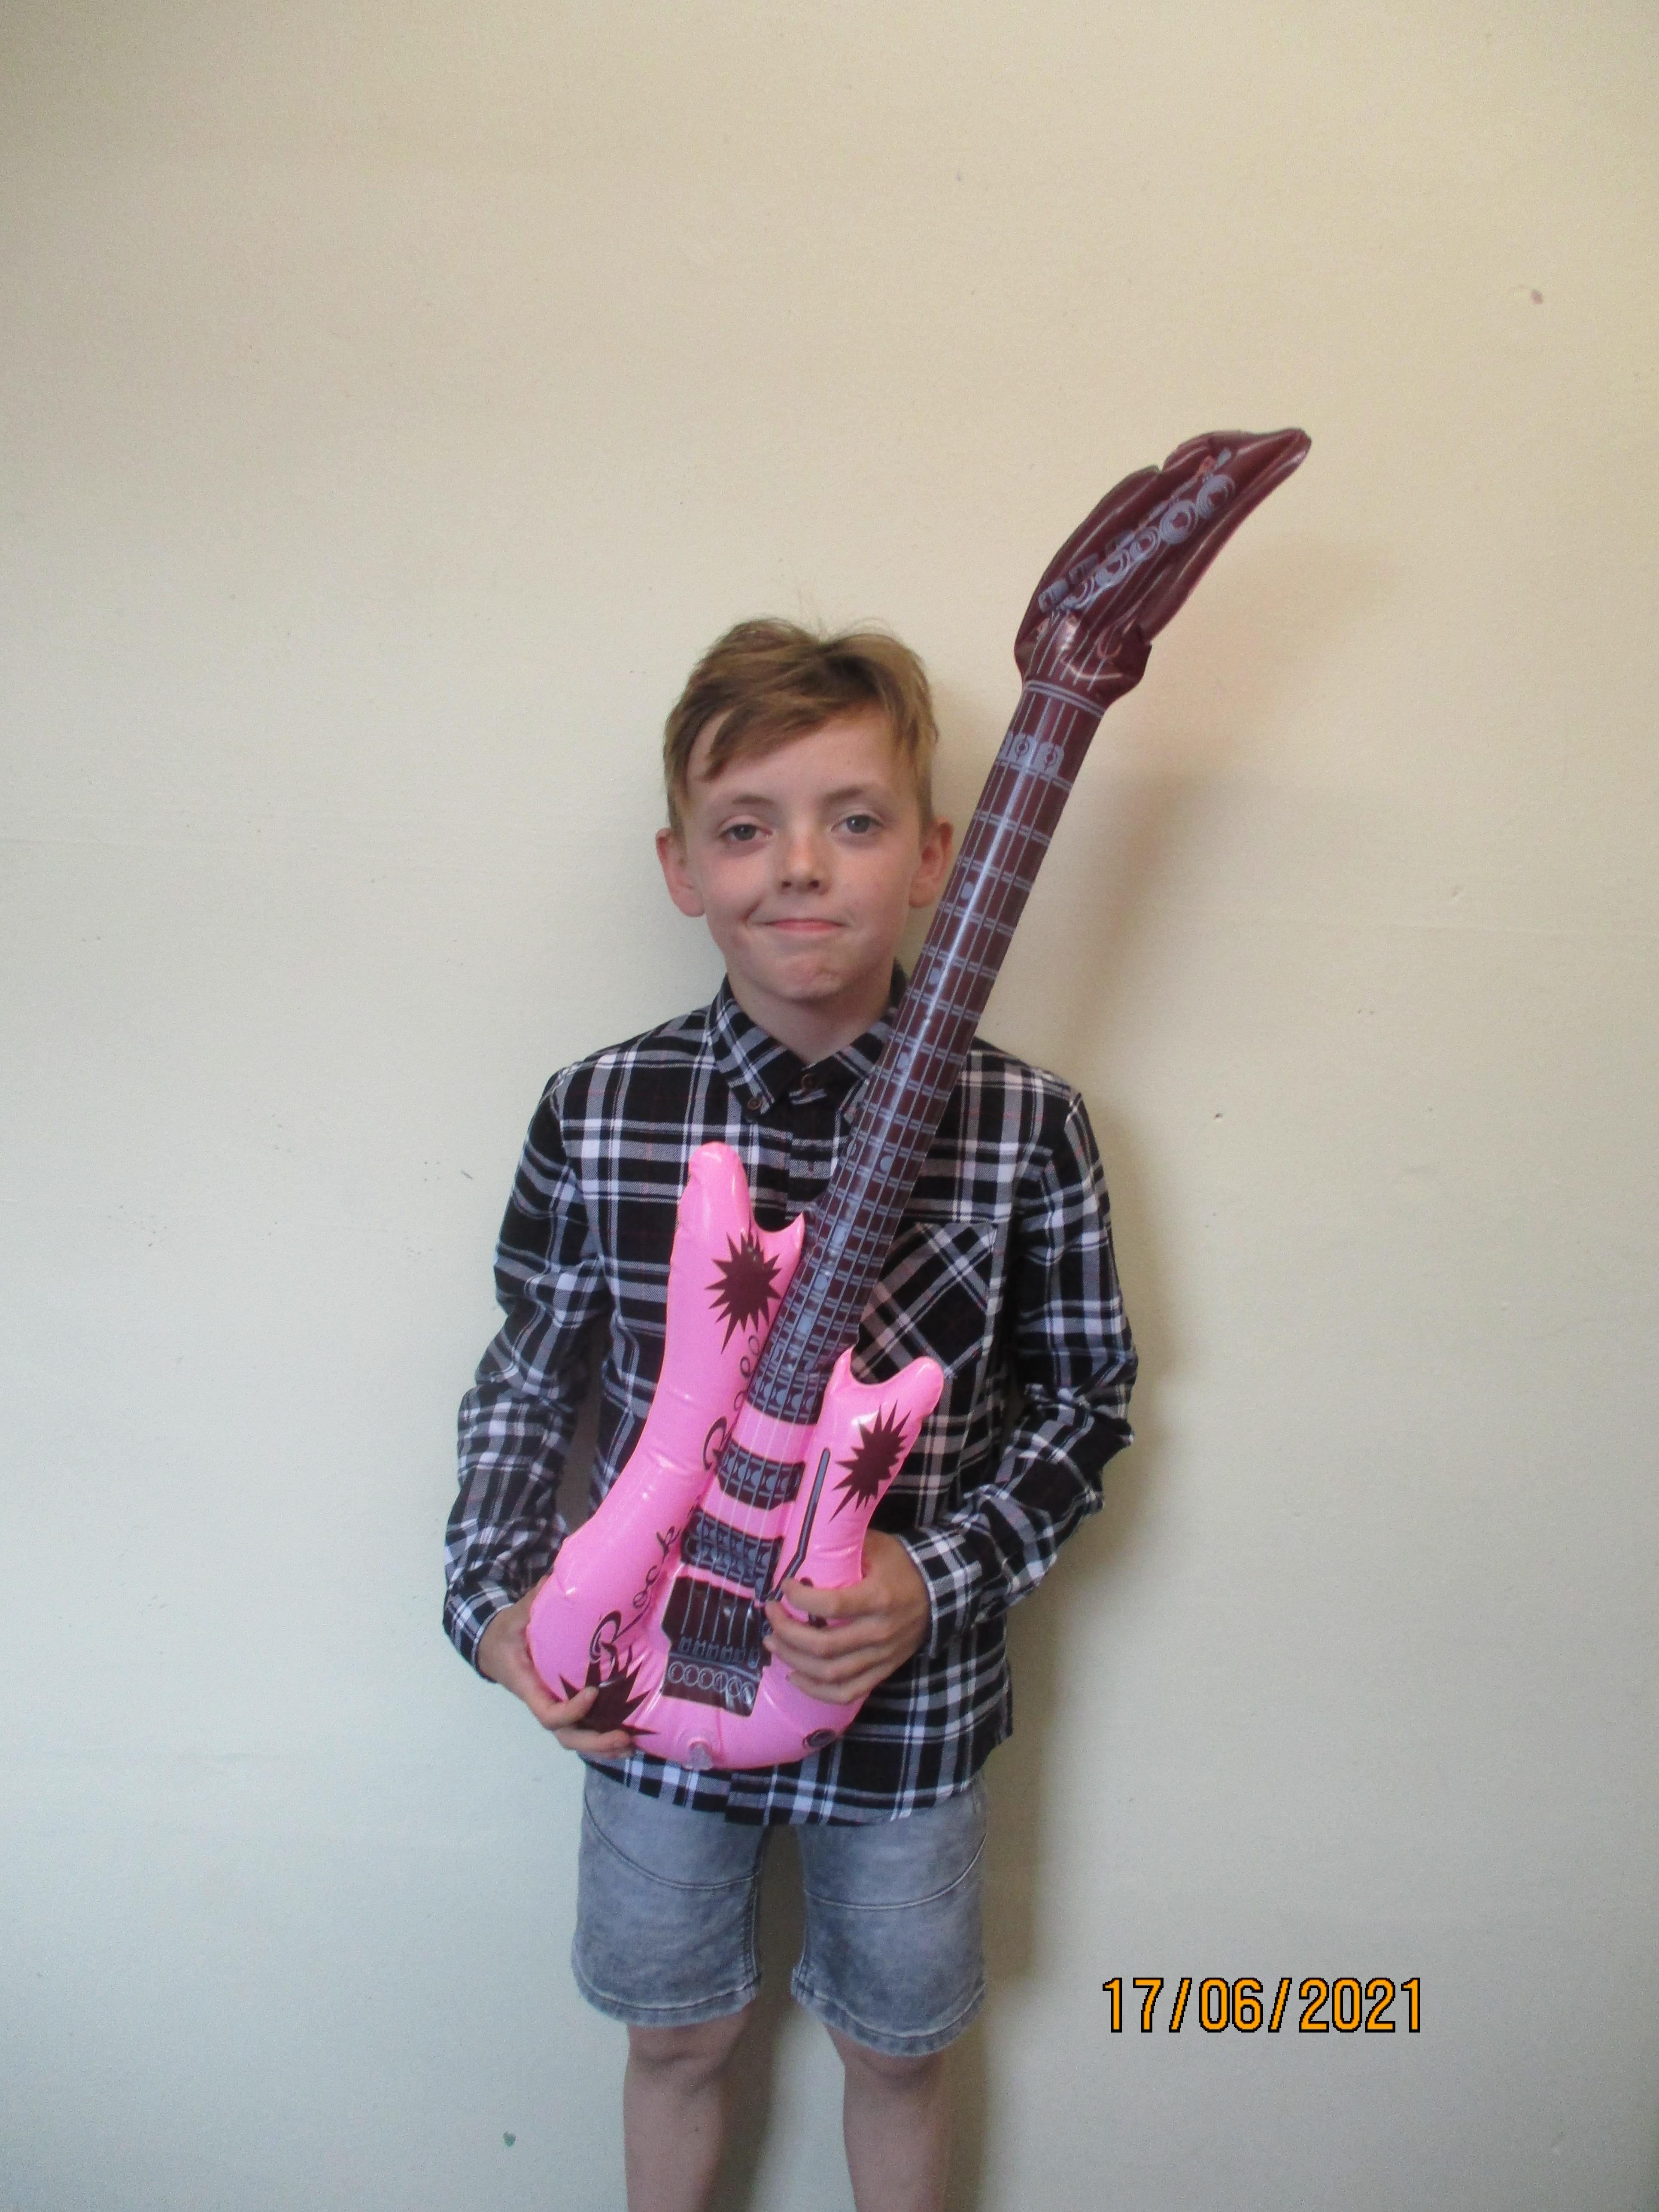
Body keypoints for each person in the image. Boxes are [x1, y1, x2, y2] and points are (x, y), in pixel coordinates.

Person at [444, 618, 1137, 2212]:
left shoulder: (1028, 1125)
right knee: (677, 2038)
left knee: (899, 2053)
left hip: (904, 1702)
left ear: (938, 855)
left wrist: (931, 1581)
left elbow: (1086, 1401)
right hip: (645, 1685)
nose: (802, 867)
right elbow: (527, 1376)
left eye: (856, 819)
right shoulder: (599, 1109)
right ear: (682, 867)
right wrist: (496, 1613)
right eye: (746, 827)